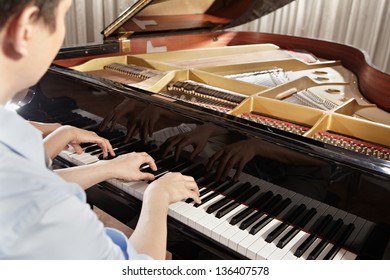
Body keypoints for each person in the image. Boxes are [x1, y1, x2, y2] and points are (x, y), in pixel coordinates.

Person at [0, 0, 200, 260]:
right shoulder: (38, 206)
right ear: (25, 28)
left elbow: (26, 188)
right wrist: (158, 197)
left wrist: (103, 166)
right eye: (64, 17)